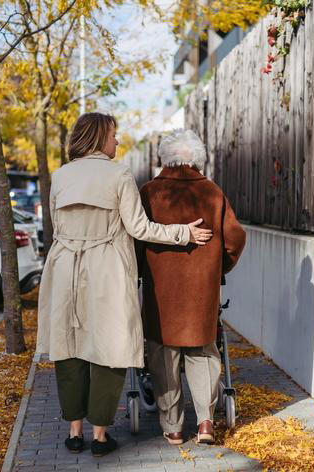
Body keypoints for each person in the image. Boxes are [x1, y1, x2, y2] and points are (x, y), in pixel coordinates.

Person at [36, 113, 213, 457]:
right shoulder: (119, 174)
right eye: (114, 135)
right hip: (106, 269)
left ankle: (74, 433)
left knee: (68, 346)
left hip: (63, 267)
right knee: (109, 347)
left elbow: (56, 226)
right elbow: (140, 228)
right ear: (100, 136)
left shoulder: (59, 176)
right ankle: (100, 435)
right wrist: (184, 233)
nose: (117, 142)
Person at [138, 129, 246, 445]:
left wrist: (143, 268)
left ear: (165, 157)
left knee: (162, 355)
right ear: (197, 158)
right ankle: (206, 424)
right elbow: (235, 237)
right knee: (204, 352)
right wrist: (217, 268)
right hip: (203, 290)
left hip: (162, 292)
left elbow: (136, 235)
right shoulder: (212, 193)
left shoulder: (150, 192)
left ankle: (172, 427)